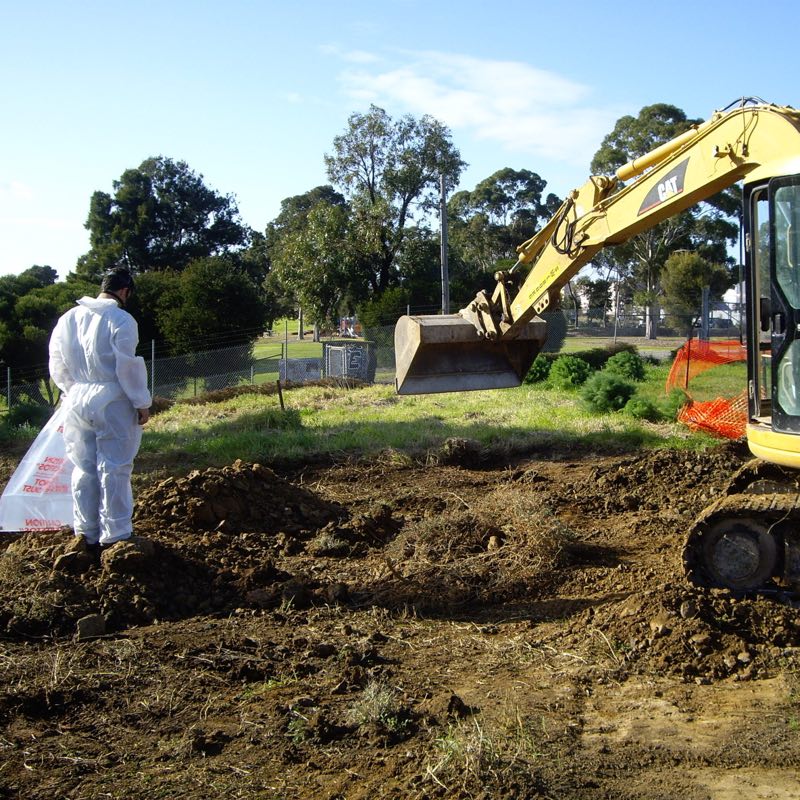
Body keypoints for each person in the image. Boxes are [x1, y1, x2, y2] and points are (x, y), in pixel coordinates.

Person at [48, 267, 152, 547]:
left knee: (83, 466)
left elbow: (56, 363)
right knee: (115, 467)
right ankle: (117, 533)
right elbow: (126, 367)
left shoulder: (68, 319)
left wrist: (73, 391)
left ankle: (86, 532)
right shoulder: (121, 319)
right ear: (125, 291)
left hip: (77, 397)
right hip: (113, 398)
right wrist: (141, 402)